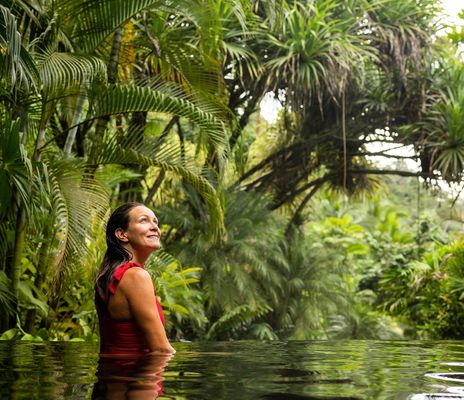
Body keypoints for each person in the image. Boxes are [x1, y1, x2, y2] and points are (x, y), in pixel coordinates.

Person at [95, 202, 176, 355]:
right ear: (122, 234)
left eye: (155, 221)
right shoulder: (136, 276)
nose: (155, 228)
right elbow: (161, 349)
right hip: (139, 377)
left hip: (115, 375)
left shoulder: (111, 276)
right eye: (144, 220)